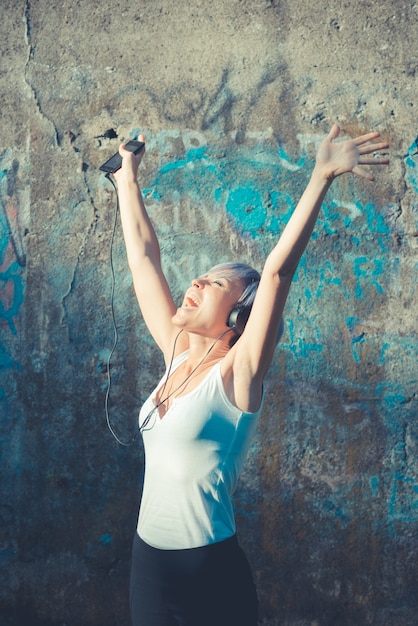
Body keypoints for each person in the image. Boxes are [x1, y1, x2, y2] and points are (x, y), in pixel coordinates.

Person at [112, 124, 389, 626]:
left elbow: (278, 273)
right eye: (202, 274)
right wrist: (127, 178)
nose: (197, 281)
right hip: (147, 564)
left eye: (216, 282)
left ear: (238, 317)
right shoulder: (175, 356)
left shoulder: (238, 376)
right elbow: (143, 257)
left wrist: (321, 175)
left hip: (208, 574)